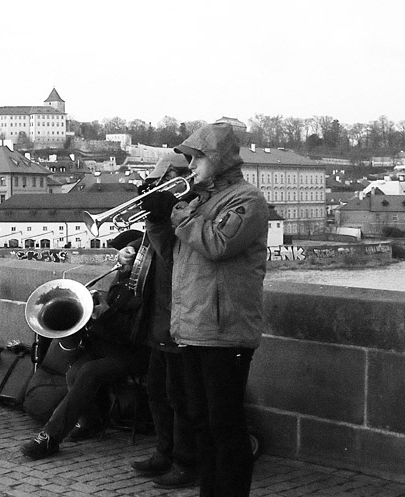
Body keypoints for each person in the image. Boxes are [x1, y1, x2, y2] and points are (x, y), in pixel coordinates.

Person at [141, 122, 269, 497]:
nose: (191, 166)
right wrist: (157, 219)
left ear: (217, 160)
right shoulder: (198, 201)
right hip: (193, 327)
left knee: (225, 427)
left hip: (225, 330)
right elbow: (172, 255)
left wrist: (177, 212)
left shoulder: (247, 200)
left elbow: (218, 244)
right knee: (199, 423)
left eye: (197, 159)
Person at [20, 230, 149, 460]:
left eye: (128, 258)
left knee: (89, 371)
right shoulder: (123, 277)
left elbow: (133, 333)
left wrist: (105, 315)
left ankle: (50, 437)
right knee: (74, 373)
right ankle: (91, 422)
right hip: (111, 345)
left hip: (134, 352)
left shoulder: (148, 288)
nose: (122, 262)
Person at [124, 155, 200, 489]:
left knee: (180, 396)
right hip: (158, 316)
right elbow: (153, 252)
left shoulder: (191, 208)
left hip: (180, 316)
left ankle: (186, 462)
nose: (160, 186)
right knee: (156, 391)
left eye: (166, 178)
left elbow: (176, 251)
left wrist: (166, 215)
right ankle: (164, 452)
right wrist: (130, 252)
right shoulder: (164, 208)